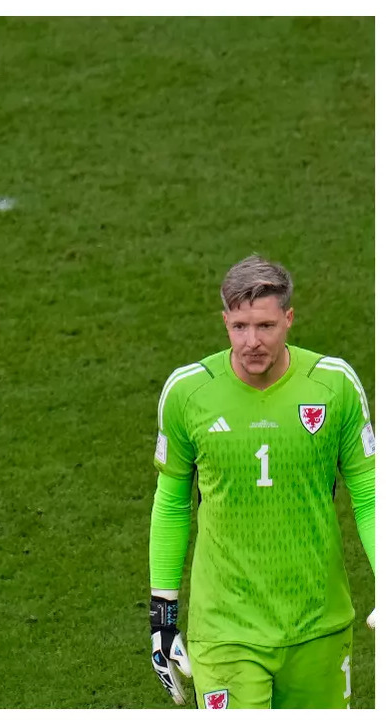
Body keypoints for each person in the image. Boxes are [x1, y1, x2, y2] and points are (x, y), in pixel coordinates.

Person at [149, 255, 375, 709]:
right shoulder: (187, 393)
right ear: (225, 321)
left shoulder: (334, 386)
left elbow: (370, 493)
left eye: (266, 326)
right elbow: (172, 501)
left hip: (318, 626)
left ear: (289, 319)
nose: (251, 342)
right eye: (239, 327)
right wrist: (163, 615)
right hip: (226, 631)